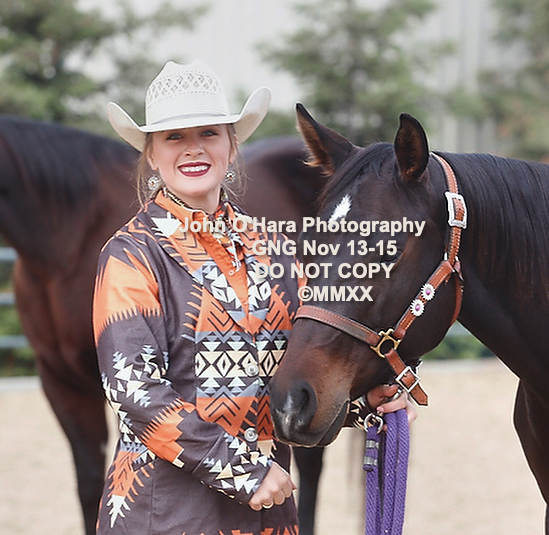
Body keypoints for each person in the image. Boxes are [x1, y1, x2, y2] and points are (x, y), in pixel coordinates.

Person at [93, 59, 415, 535]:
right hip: (166, 512)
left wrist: (362, 403)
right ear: (152, 155)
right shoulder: (131, 255)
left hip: (269, 511)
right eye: (174, 137)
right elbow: (134, 390)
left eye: (209, 133)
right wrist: (242, 471)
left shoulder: (273, 248)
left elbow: (292, 371)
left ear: (231, 145)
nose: (193, 149)